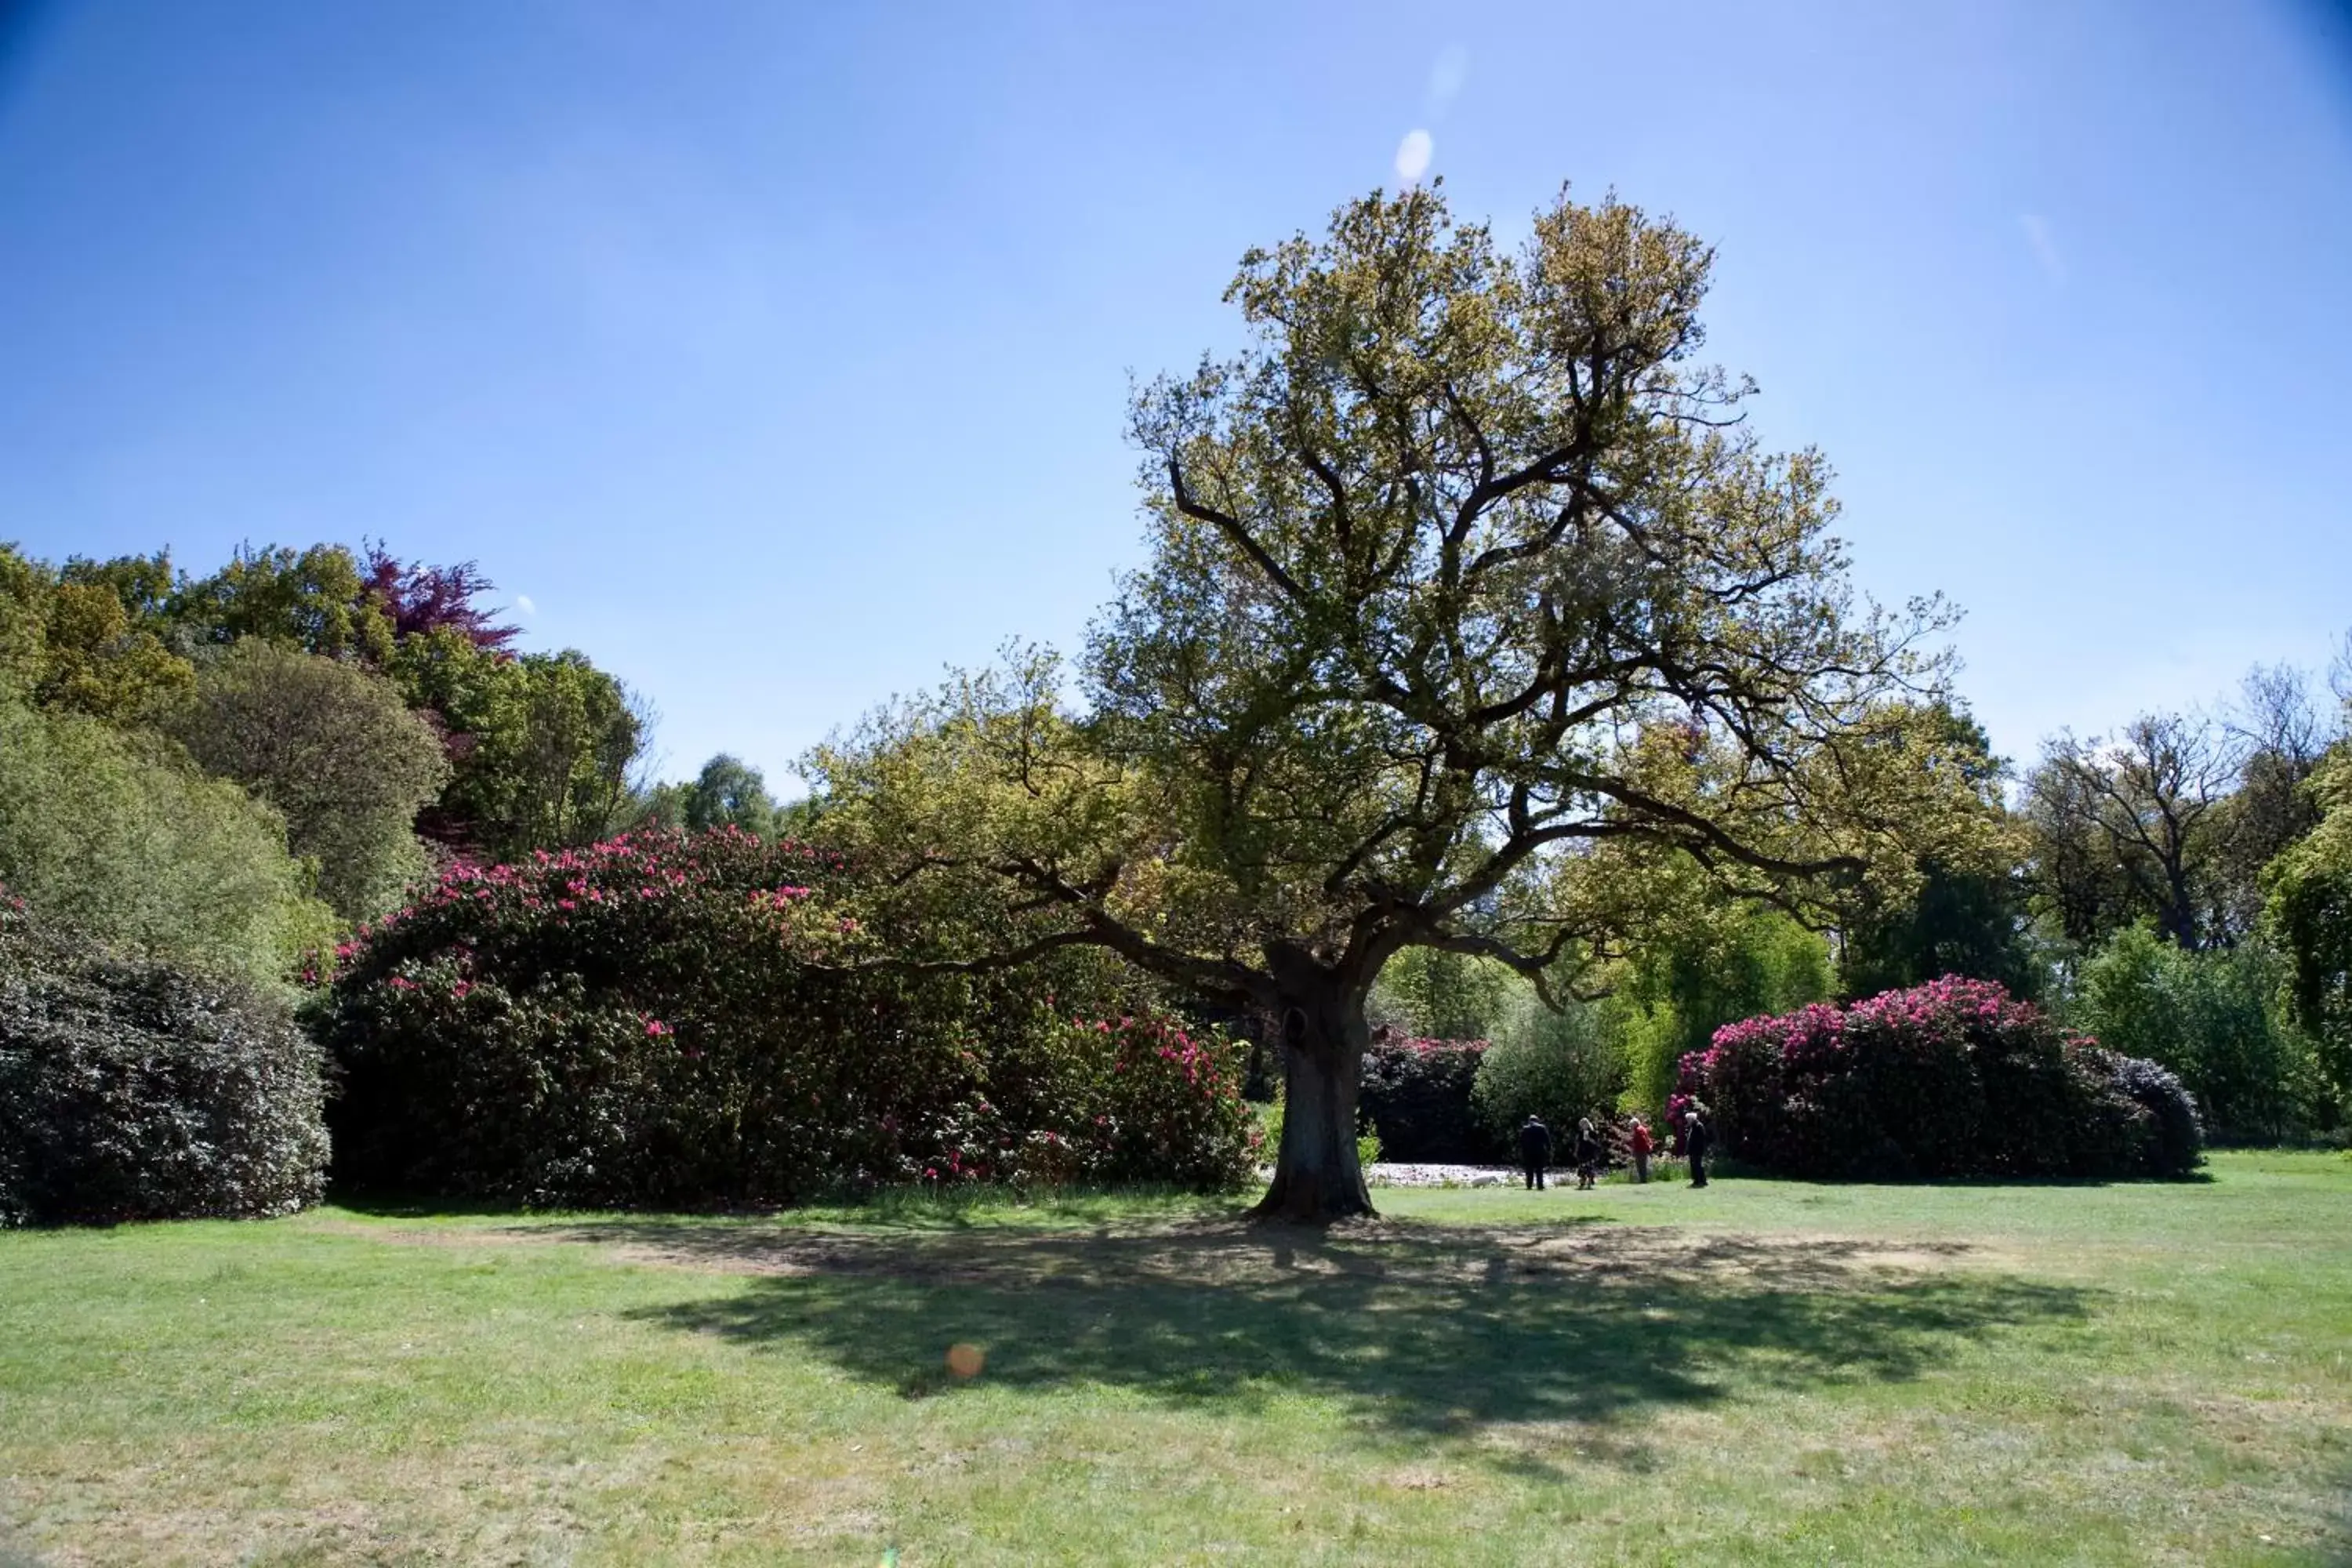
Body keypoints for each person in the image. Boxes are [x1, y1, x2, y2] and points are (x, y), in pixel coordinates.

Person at [1518, 1114, 1553, 1190]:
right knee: (1539, 1170)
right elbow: (1547, 1140)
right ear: (1537, 1120)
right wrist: (1549, 1150)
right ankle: (1540, 1185)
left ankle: (1529, 1185)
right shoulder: (1542, 1128)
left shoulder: (1525, 1129)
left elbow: (1521, 1142)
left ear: (1529, 1121)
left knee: (1529, 1170)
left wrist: (1521, 1152)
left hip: (1528, 1152)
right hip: (1540, 1152)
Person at [1685, 1106, 1712, 1189]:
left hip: (1697, 1150)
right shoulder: (1693, 1126)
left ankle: (1700, 1181)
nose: (1687, 1121)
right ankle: (1698, 1180)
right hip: (1693, 1150)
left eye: (1688, 1119)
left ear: (1692, 1119)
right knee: (1695, 1166)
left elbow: (1701, 1139)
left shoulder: (1698, 1126)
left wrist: (1695, 1148)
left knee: (1697, 1166)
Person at [1573, 1117, 1601, 1189]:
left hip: (1590, 1152)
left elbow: (1596, 1143)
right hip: (1582, 1152)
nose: (1583, 1126)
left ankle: (1590, 1181)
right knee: (1582, 1168)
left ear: (1588, 1124)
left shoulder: (1593, 1133)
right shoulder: (1580, 1133)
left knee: (1589, 1167)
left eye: (1584, 1124)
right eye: (1582, 1125)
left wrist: (1589, 1139)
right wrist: (1576, 1151)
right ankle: (1582, 1182)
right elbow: (1578, 1143)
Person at [1628, 1116, 1654, 1184]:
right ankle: (1643, 1180)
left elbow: (1641, 1141)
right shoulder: (1643, 1129)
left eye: (1631, 1125)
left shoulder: (1638, 1130)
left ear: (1634, 1124)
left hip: (1640, 1150)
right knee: (1642, 1165)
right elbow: (1647, 1139)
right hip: (1643, 1149)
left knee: (1641, 1166)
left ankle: (1643, 1181)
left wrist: (1634, 1150)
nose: (1631, 1127)